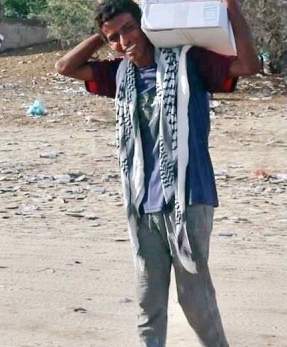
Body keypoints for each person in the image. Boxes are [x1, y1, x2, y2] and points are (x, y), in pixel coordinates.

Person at [55, 0, 259, 346]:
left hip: (189, 195)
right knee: (148, 301)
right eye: (115, 38)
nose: (124, 41)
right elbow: (64, 66)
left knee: (194, 297)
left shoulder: (189, 61)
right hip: (142, 201)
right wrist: (103, 36)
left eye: (129, 29)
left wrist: (232, 9)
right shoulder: (119, 74)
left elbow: (248, 65)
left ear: (146, 25)